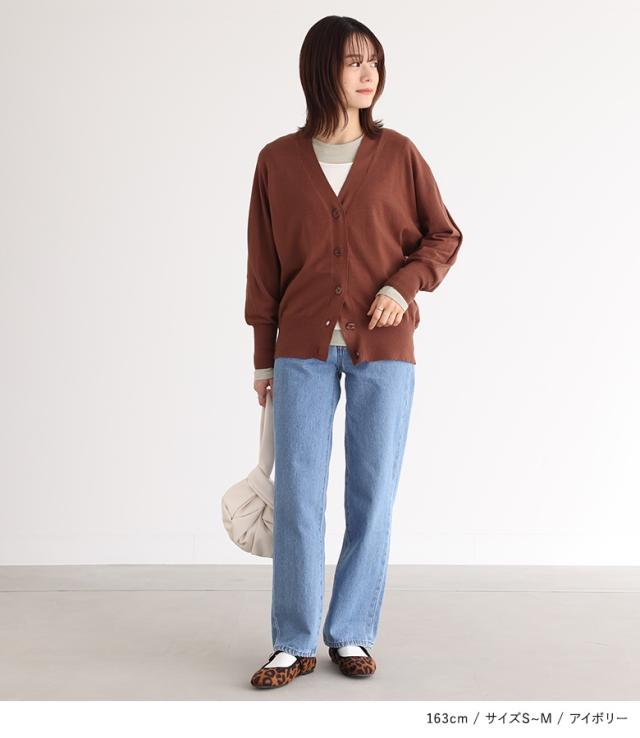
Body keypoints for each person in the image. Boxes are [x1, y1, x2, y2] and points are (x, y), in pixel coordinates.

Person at [244, 15, 463, 689]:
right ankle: (293, 642)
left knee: (371, 495)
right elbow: (263, 268)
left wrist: (403, 284)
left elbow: (443, 236)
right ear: (322, 71)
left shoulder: (398, 154)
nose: (369, 74)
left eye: (374, 62)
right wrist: (263, 358)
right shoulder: (277, 161)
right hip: (300, 349)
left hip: (385, 350)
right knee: (299, 497)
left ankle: (351, 633)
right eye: (353, 62)